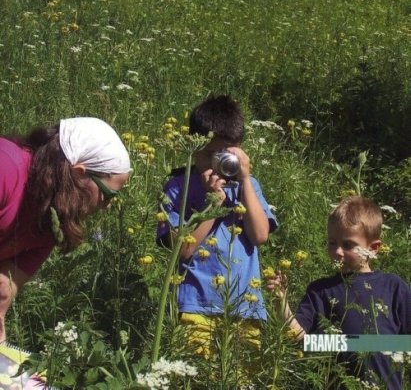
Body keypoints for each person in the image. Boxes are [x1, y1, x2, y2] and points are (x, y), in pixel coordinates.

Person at [157, 95, 278, 379]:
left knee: (239, 379)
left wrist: (246, 180)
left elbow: (260, 235)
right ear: (193, 148)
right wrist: (213, 205)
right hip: (195, 303)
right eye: (207, 154)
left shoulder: (249, 185)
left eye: (224, 154)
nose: (215, 164)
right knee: (193, 377)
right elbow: (182, 250)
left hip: (245, 306)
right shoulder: (177, 186)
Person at [0, 116, 131, 343]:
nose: (107, 206)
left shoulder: (53, 216)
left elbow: (4, 288)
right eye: (107, 195)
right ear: (79, 174)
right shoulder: (6, 168)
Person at [266, 196, 411, 390]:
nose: (338, 252)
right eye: (332, 242)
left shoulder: (393, 287)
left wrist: (375, 345)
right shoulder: (320, 290)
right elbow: (300, 338)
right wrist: (280, 301)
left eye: (348, 245)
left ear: (373, 248)